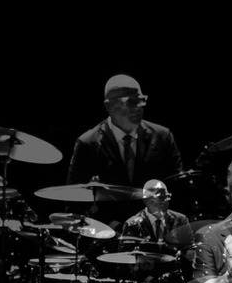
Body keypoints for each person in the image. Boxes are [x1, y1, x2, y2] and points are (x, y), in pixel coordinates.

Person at [67, 75, 183, 220]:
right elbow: (74, 202)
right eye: (130, 101)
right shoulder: (88, 144)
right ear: (109, 106)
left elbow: (179, 190)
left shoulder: (163, 137)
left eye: (140, 100)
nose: (137, 107)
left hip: (156, 227)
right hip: (109, 230)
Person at [120, 180, 189, 242]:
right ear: (146, 200)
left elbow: (189, 248)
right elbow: (126, 251)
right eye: (160, 197)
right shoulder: (132, 224)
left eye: (167, 196)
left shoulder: (180, 219)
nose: (165, 201)